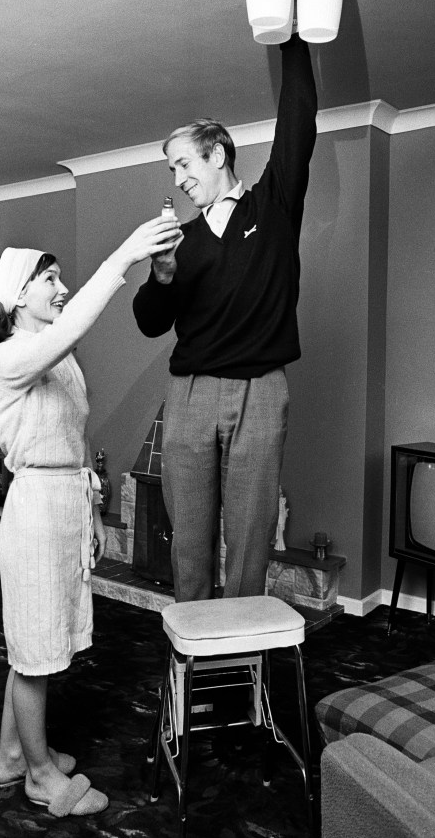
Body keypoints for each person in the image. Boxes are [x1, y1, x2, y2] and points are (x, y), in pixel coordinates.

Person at [0, 214, 182, 817]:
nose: (60, 287)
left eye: (62, 277)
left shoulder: (61, 362)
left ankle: (11, 756)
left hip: (65, 502)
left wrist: (92, 511)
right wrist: (122, 258)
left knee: (37, 642)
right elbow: (67, 330)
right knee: (34, 650)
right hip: (35, 512)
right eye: (49, 279)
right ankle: (40, 775)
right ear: (18, 296)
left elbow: (72, 439)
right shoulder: (8, 358)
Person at [132, 32, 317, 603]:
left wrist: (290, 38)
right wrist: (161, 275)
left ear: (218, 154)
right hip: (188, 396)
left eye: (183, 163)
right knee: (188, 544)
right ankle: (191, 663)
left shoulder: (274, 204)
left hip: (261, 392)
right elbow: (148, 321)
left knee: (249, 542)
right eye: (172, 171)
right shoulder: (180, 241)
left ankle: (239, 658)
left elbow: (298, 120)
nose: (179, 178)